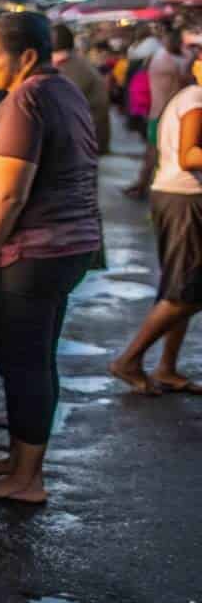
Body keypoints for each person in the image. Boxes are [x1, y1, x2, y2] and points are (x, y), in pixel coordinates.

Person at [0, 12, 100, 504]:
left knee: (25, 364)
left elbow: (10, 196)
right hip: (63, 247)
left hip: (31, 251)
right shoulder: (63, 90)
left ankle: (27, 480)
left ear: (27, 56)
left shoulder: (27, 98)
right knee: (33, 360)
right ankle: (20, 460)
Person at [110, 55, 202, 394]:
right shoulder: (195, 99)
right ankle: (129, 360)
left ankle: (167, 367)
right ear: (197, 66)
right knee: (183, 291)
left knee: (188, 288)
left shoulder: (190, 97)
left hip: (178, 197)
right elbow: (189, 155)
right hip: (184, 199)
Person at [127, 26, 187, 199]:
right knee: (159, 154)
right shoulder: (176, 60)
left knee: (152, 152)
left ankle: (142, 186)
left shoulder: (160, 57)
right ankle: (144, 186)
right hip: (170, 113)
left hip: (158, 112)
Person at [52, 24, 110, 155]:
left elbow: (62, 110)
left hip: (85, 141)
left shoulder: (71, 68)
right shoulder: (74, 62)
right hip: (87, 137)